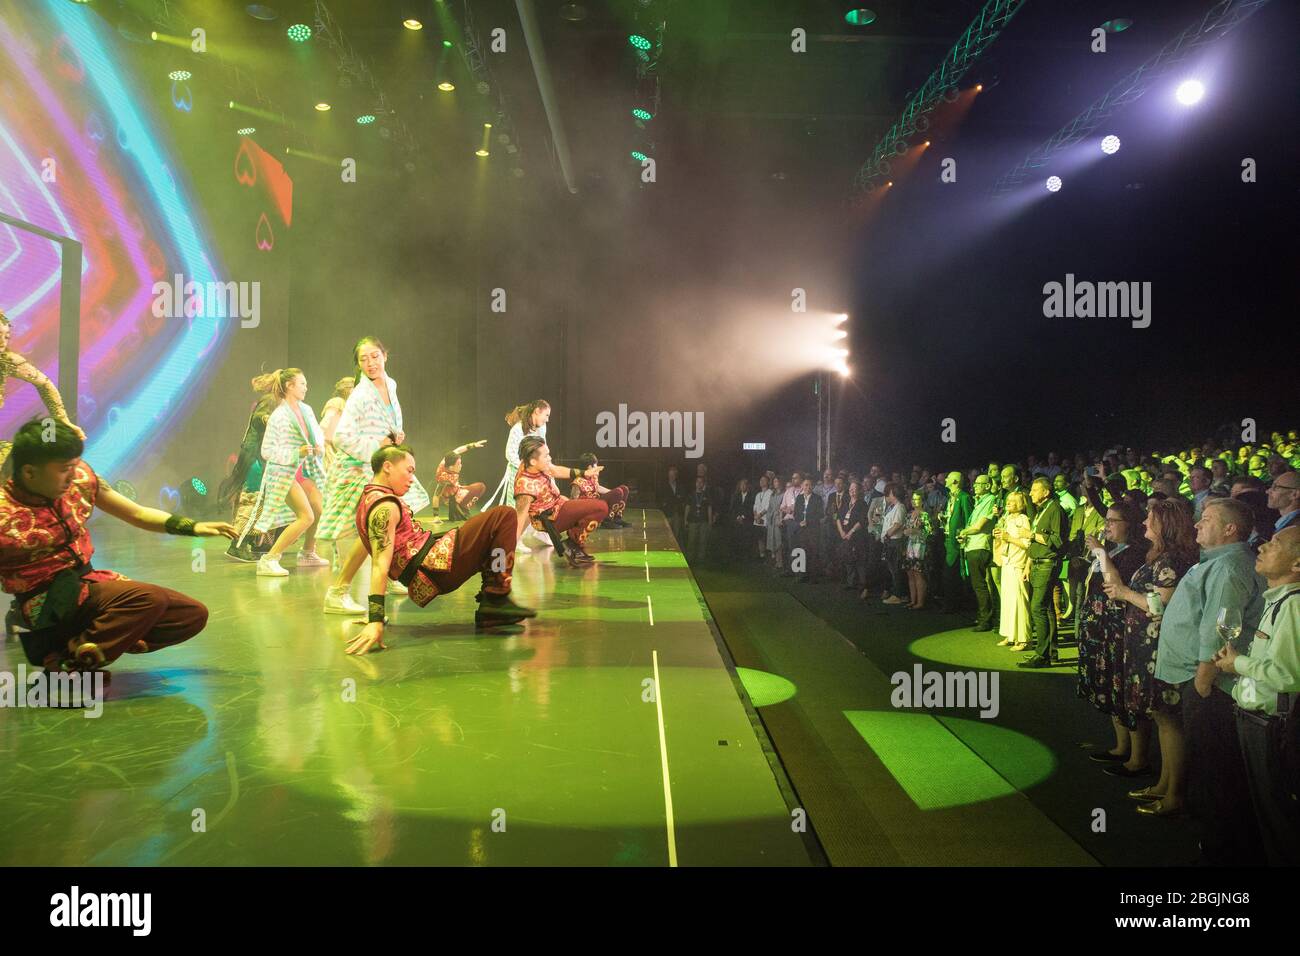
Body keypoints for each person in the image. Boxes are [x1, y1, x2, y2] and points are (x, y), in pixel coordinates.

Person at [0, 419, 233, 674]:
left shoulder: (80, 478)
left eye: (74, 465)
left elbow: (138, 514)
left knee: (190, 615)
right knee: (147, 600)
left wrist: (194, 527)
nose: (72, 475)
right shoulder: (4, 512)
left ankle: (77, 649)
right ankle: (65, 667)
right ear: (29, 472)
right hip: (44, 602)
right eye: (64, 468)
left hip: (88, 583)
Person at [1149, 496, 1267, 863]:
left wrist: (1203, 677)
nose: (1197, 524)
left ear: (1230, 529)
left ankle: (1224, 849)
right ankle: (1221, 841)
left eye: (1207, 519)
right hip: (1202, 679)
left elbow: (1220, 626)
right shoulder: (1218, 562)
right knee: (1212, 765)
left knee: (1217, 768)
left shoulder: (1230, 567)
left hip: (1210, 684)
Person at [341, 445, 536, 655]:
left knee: (493, 536)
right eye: (409, 470)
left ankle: (494, 602)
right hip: (433, 567)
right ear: (387, 467)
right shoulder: (384, 506)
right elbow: (380, 563)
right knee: (504, 515)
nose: (411, 479)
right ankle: (497, 598)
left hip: (429, 564)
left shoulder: (370, 498)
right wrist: (375, 619)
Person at [317, 337, 432, 613]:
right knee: (366, 531)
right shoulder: (359, 394)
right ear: (358, 364)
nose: (370, 363)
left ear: (385, 356)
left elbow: (388, 421)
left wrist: (395, 435)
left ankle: (391, 573)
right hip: (358, 469)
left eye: (374, 356)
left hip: (382, 467)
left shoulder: (390, 385)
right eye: (363, 359)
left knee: (392, 519)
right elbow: (341, 436)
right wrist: (376, 447)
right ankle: (338, 591)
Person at [1214, 526, 1300, 865]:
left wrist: (1238, 663)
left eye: (1276, 543)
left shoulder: (1293, 606)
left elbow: (1288, 674)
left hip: (1272, 726)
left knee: (1280, 822)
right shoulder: (1278, 601)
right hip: (1259, 720)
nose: (1262, 546)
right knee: (1269, 817)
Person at [235, 369, 329, 576]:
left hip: (302, 471)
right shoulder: (278, 415)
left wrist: (318, 446)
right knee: (306, 517)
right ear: (290, 386)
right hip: (283, 473)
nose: (306, 387)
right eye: (302, 383)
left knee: (320, 510)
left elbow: (316, 434)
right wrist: (296, 452)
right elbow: (267, 451)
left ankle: (307, 553)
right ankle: (269, 559)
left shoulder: (306, 410)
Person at [1077, 500, 1149, 763]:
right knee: (1109, 686)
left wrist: (1100, 554)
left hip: (1118, 629)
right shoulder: (1114, 549)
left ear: (1129, 524)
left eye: (1112, 521)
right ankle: (1121, 747)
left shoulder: (1135, 554)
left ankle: (1138, 758)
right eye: (1106, 520)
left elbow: (1116, 586)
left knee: (1124, 691)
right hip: (1101, 628)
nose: (1106, 526)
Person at [0, 310, 86, 472]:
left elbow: (45, 384)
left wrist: (62, 420)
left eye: (6, 336)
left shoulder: (7, 360)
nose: (2, 342)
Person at [513, 435, 607, 568]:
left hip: (559, 505)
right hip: (553, 518)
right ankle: (572, 544)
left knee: (599, 506)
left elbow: (555, 470)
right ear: (533, 461)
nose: (549, 458)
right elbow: (521, 517)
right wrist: (508, 549)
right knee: (601, 507)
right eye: (546, 456)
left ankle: (574, 545)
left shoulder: (531, 464)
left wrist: (585, 473)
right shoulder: (525, 487)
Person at [219, 378, 278, 563]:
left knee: (258, 501)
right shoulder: (270, 400)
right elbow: (260, 420)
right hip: (255, 459)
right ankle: (238, 546)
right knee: (251, 500)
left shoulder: (275, 401)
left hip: (259, 457)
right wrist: (269, 420)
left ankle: (253, 542)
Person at [1018, 477, 1068, 668]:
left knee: (1037, 607)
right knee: (1045, 609)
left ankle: (1042, 655)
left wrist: (1031, 535)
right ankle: (1050, 652)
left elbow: (1057, 540)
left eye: (1034, 490)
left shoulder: (1054, 509)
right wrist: (1029, 564)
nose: (1031, 493)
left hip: (1047, 563)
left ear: (1046, 492)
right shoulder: (1043, 510)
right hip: (1039, 562)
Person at [957, 474, 998, 630]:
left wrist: (964, 532)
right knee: (980, 584)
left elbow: (978, 527)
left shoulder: (990, 500)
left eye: (978, 484)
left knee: (980, 585)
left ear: (987, 486)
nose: (974, 486)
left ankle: (986, 620)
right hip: (973, 545)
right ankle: (985, 617)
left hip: (980, 546)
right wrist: (965, 535)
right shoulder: (979, 502)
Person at [993, 490, 1032, 649]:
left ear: (1021, 504)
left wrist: (1009, 538)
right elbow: (1003, 538)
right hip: (1007, 561)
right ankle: (1010, 634)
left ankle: (1023, 639)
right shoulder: (1006, 518)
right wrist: (998, 537)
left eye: (1013, 501)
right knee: (1008, 600)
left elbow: (1027, 543)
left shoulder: (1023, 519)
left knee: (1019, 601)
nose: (1008, 503)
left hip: (1018, 563)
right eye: (1008, 500)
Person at [940, 472, 974, 614]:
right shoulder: (951, 498)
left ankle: (954, 605)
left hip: (957, 542)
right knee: (950, 573)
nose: (946, 479)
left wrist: (964, 536)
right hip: (949, 539)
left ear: (954, 481)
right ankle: (952, 604)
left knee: (952, 574)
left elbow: (968, 519)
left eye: (948, 477)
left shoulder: (964, 497)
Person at [571, 452, 630, 530]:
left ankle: (617, 518)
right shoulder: (578, 481)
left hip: (597, 501)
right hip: (589, 507)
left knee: (623, 489)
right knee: (618, 491)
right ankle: (607, 520)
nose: (597, 467)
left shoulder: (592, 477)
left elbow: (598, 488)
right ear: (589, 467)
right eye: (595, 465)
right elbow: (573, 500)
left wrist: (615, 493)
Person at [435, 441, 489, 520]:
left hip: (457, 489)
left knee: (480, 487)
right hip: (453, 497)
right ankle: (460, 505)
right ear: (451, 468)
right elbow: (436, 496)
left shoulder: (448, 459)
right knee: (480, 487)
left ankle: (463, 506)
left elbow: (458, 450)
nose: (461, 465)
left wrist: (473, 445)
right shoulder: (444, 477)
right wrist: (436, 516)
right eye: (458, 464)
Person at [902, 489, 933, 609]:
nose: (915, 501)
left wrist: (916, 531)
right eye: (913, 499)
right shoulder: (909, 514)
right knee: (910, 573)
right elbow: (905, 528)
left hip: (920, 546)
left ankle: (920, 602)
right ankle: (912, 599)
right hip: (909, 545)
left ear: (922, 501)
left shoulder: (924, 514)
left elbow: (930, 531)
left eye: (917, 499)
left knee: (918, 573)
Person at [318, 376, 355, 475]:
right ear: (347, 390)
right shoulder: (337, 402)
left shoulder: (349, 406)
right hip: (327, 446)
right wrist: (319, 438)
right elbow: (326, 420)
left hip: (338, 447)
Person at [837, 480, 868, 591]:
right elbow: (838, 518)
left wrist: (851, 532)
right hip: (844, 534)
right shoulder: (845, 502)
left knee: (859, 559)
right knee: (848, 558)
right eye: (850, 488)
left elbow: (862, 520)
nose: (852, 491)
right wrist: (841, 532)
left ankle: (862, 584)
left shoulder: (862, 504)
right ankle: (851, 582)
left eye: (854, 489)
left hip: (857, 536)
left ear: (859, 491)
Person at [793, 477, 824, 583]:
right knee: (802, 552)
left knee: (813, 553)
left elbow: (820, 514)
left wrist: (808, 521)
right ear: (802, 486)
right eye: (806, 485)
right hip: (802, 530)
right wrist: (800, 521)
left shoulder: (817, 498)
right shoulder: (799, 498)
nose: (808, 487)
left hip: (813, 529)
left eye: (810, 485)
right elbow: (796, 513)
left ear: (813, 486)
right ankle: (802, 575)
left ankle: (813, 577)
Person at [685, 475, 713, 564]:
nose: (699, 484)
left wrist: (710, 520)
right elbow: (687, 507)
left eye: (701, 482)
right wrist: (685, 519)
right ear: (695, 483)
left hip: (703, 521)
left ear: (703, 484)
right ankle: (689, 559)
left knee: (703, 541)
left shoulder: (707, 495)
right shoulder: (691, 494)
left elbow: (709, 508)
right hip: (693, 521)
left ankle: (701, 560)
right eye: (697, 482)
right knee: (691, 540)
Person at [662, 464, 687, 544]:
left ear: (676, 476)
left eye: (673, 475)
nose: (671, 477)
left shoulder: (681, 486)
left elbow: (683, 498)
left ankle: (674, 549)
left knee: (676, 534)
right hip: (667, 513)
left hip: (677, 513)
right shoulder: (663, 486)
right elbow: (660, 499)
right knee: (666, 533)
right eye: (670, 475)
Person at [765, 476, 785, 569]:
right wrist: (768, 519)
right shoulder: (772, 494)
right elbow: (769, 507)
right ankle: (776, 561)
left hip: (778, 519)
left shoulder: (784, 494)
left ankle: (781, 562)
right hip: (772, 520)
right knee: (772, 540)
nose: (775, 483)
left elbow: (783, 507)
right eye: (774, 481)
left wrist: (780, 517)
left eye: (777, 481)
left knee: (779, 541)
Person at [752, 474, 773, 561]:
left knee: (767, 538)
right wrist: (755, 515)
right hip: (757, 520)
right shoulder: (758, 494)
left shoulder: (770, 493)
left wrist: (760, 515)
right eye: (760, 480)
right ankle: (762, 555)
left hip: (765, 520)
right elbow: (755, 506)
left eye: (764, 480)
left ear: (768, 482)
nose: (761, 482)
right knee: (759, 538)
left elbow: (768, 506)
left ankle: (771, 556)